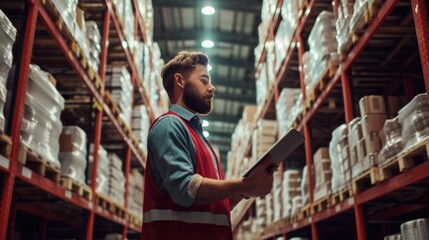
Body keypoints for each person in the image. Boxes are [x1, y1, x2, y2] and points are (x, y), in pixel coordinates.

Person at [141, 51, 274, 240]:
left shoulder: (198, 137)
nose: (212, 88)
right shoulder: (169, 125)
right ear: (180, 81)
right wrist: (246, 184)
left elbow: (215, 205)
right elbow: (186, 189)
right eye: (204, 80)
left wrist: (246, 190)